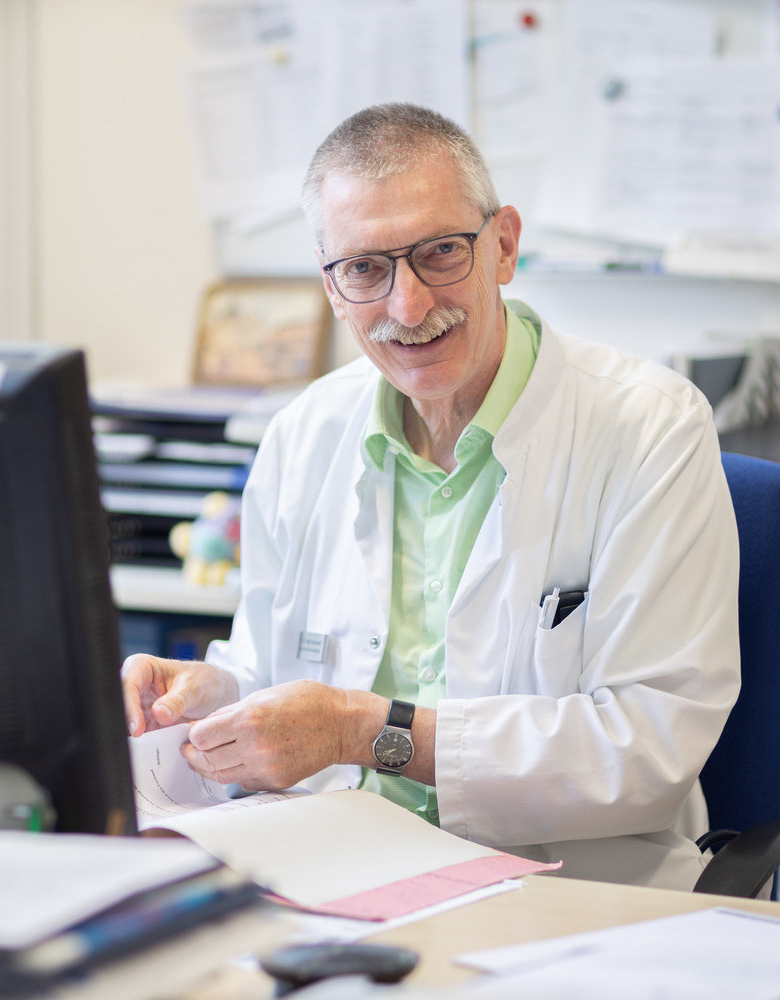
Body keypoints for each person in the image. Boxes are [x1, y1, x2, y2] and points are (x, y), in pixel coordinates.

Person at [122, 103, 740, 889]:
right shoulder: (303, 433)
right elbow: (274, 665)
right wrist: (214, 701)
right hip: (331, 874)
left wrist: (365, 732)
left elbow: (648, 749)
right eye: (365, 269)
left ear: (504, 245)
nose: (408, 306)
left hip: (569, 890)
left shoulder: (649, 426)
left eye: (440, 252)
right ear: (332, 287)